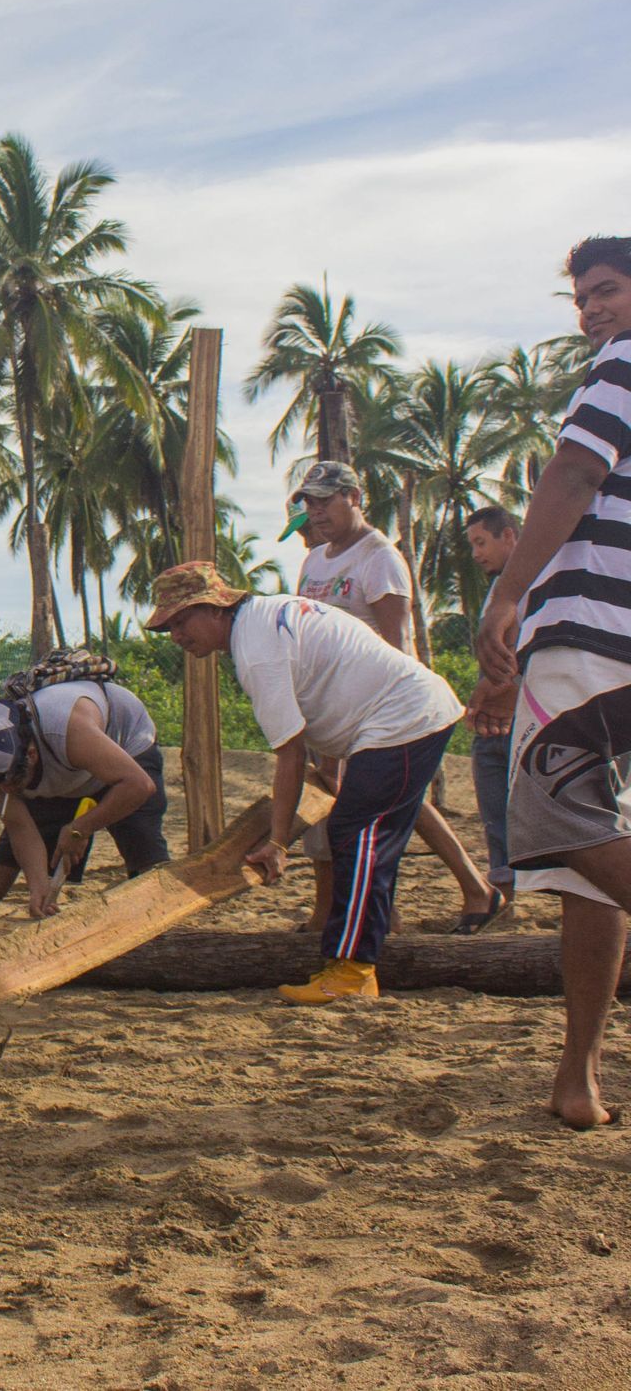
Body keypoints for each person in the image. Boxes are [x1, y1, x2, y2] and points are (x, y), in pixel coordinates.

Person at [475, 235, 631, 1130]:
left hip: (596, 635)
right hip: (603, 638)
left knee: (555, 820)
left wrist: (509, 592)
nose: (591, 312)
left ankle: (581, 1073)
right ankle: (578, 1079)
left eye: (606, 290)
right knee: (590, 863)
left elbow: (574, 472)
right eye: (581, 300)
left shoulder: (621, 365)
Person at [151, 561, 462, 1005]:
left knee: (357, 835)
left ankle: (353, 970)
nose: (177, 635)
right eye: (168, 628)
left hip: (404, 719)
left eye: (182, 621)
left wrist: (278, 842)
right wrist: (331, 776)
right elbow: (330, 683)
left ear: (216, 608)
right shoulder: (267, 615)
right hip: (404, 716)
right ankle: (364, 956)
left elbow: (291, 754)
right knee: (366, 838)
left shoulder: (256, 649)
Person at [292, 461, 497, 931]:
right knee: (361, 800)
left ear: (354, 497)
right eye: (310, 502)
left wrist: (387, 711)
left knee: (374, 803)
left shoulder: (378, 557)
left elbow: (397, 642)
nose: (317, 511)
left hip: (377, 704)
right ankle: (339, 907)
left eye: (326, 500)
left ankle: (459, 892)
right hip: (333, 704)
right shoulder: (315, 560)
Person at [0, 678, 167, 918]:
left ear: (32, 754)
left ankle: (163, 929)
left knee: (142, 844)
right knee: (7, 857)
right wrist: (38, 886)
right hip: (65, 768)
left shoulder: (67, 731)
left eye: (12, 780)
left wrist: (81, 828)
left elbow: (139, 785)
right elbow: (20, 828)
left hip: (124, 751)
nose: (6, 790)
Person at [460, 505, 521, 934]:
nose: (477, 553)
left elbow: (516, 651)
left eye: (482, 542)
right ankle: (504, 895)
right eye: (473, 545)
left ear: (510, 537)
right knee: (494, 811)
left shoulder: (530, 584)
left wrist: (488, 693)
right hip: (497, 712)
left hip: (525, 712)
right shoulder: (498, 587)